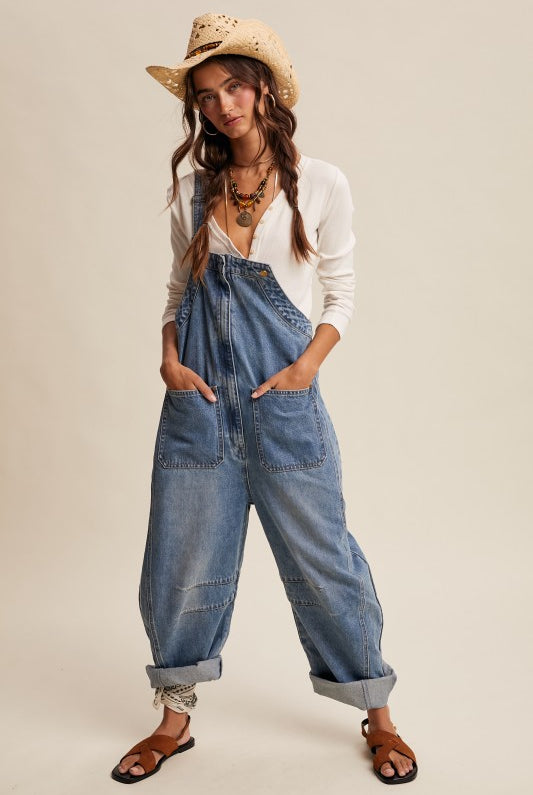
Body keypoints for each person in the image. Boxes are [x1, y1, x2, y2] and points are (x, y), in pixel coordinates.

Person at [111, 12, 418, 786]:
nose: (223, 106)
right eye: (206, 95)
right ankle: (173, 719)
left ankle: (378, 714)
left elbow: (340, 293)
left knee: (326, 565)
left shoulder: (320, 183)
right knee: (179, 565)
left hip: (283, 411)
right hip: (199, 409)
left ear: (265, 89)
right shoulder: (191, 190)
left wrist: (306, 367)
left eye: (234, 87)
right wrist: (169, 360)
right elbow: (177, 291)